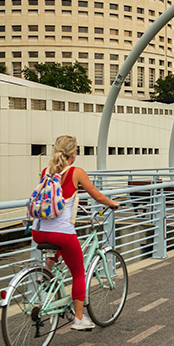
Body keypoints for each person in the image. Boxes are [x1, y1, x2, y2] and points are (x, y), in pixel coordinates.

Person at [33, 135, 120, 330]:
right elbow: (96, 195)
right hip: (61, 233)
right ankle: (79, 318)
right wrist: (113, 204)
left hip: (38, 231)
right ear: (74, 153)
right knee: (79, 272)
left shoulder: (46, 171)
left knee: (59, 248)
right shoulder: (76, 172)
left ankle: (47, 270)